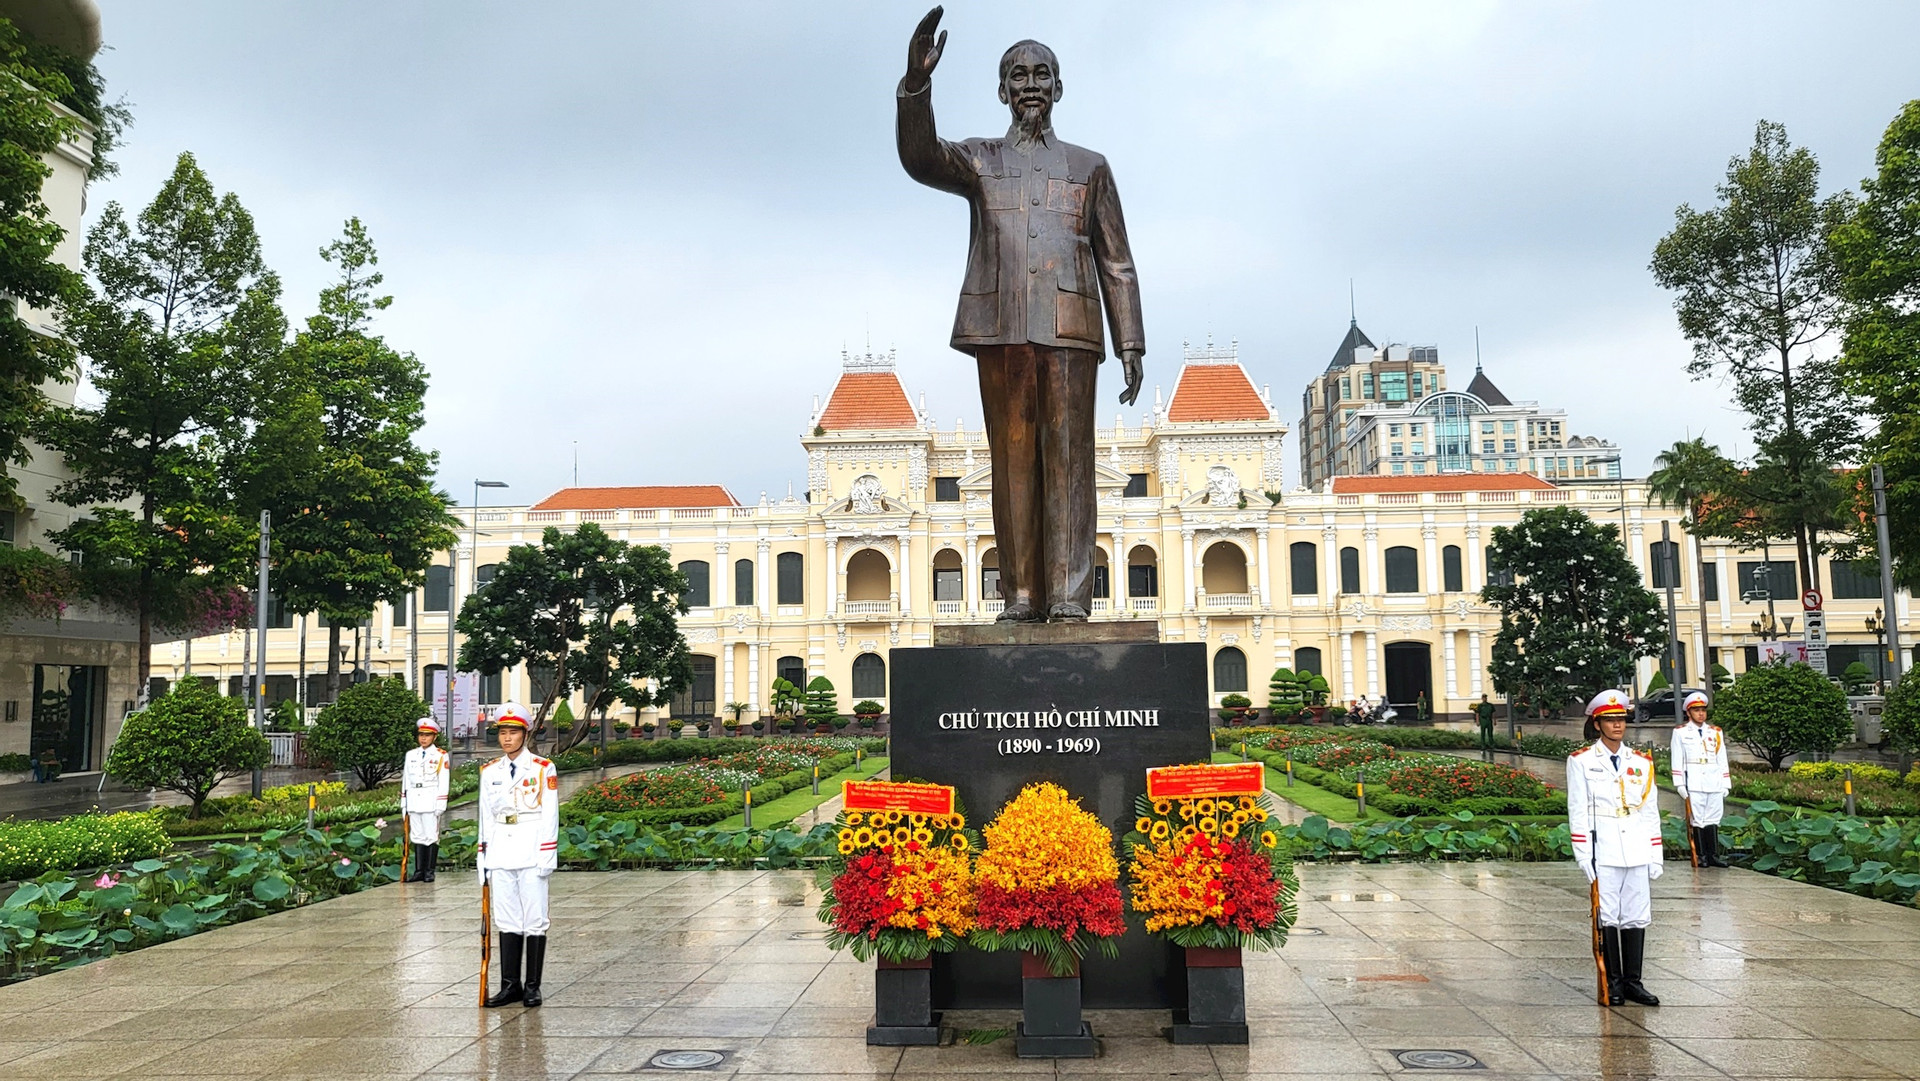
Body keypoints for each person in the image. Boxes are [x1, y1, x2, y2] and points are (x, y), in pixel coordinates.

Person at [896, 11, 1146, 621]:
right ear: (1003, 90)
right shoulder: (978, 160)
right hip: (1002, 328)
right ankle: (1021, 595)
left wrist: (1131, 340)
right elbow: (920, 155)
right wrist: (916, 85)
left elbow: (1117, 259)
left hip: (1073, 330)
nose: (1031, 84)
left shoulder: (1090, 166)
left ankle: (1068, 599)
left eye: (1041, 74)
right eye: (1018, 75)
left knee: (1070, 460)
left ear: (1057, 88)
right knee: (1011, 463)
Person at [1567, 688, 1662, 1007]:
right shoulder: (1581, 762)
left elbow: (1650, 810)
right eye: (1609, 720)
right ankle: (1614, 981)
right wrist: (1583, 854)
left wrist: (1655, 852)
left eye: (1621, 719)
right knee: (1608, 915)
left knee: (1635, 915)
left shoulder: (1641, 762)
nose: (1617, 725)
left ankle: (1634, 981)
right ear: (1597, 724)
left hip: (1636, 846)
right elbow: (1577, 809)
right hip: (1603, 848)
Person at [477, 703, 559, 1008]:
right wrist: (482, 859)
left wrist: (547, 854)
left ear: (525, 734)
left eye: (513, 732)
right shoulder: (489, 771)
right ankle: (510, 985)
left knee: (535, 919)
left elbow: (550, 813)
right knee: (507, 919)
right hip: (500, 851)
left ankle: (532, 986)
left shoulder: (541, 768)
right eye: (502, 732)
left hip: (530, 849)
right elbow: (484, 816)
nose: (507, 738)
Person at [1670, 691, 1730, 868]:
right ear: (1689, 713)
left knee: (1713, 818)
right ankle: (1701, 855)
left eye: (1703, 710)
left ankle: (1713, 855)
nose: (1701, 713)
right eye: (1696, 710)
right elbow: (1677, 758)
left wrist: (1726, 783)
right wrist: (1679, 783)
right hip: (1694, 780)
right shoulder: (1681, 732)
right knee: (1697, 819)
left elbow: (1721, 758)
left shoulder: (1715, 732)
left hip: (1714, 780)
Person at [401, 716, 451, 882]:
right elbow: (405, 780)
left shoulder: (440, 756)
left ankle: (429, 871)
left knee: (431, 836)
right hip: (414, 799)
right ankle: (419, 871)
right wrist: (404, 803)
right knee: (417, 836)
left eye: (427, 735)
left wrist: (440, 803)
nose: (423, 738)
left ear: (434, 737)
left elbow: (443, 781)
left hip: (430, 800)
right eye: (421, 735)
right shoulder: (411, 755)